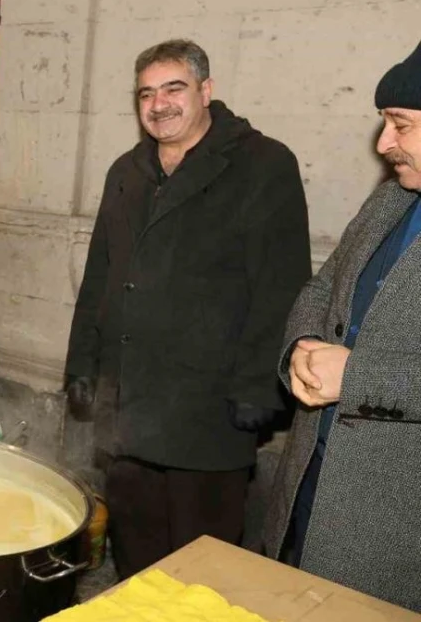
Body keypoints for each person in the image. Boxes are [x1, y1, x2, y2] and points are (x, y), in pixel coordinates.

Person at [63, 38, 312, 579]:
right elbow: (100, 278)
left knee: (201, 560)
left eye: (173, 88)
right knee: (136, 547)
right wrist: (82, 363)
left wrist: (258, 387)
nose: (159, 104)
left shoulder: (262, 164)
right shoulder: (126, 171)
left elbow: (282, 285)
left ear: (205, 90)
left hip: (208, 404)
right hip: (128, 397)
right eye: (146, 93)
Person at [262, 40, 421, 613]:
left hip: (396, 527)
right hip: (312, 481)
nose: (384, 144)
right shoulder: (390, 200)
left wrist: (359, 376)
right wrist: (301, 346)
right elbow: (322, 288)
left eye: (400, 125)